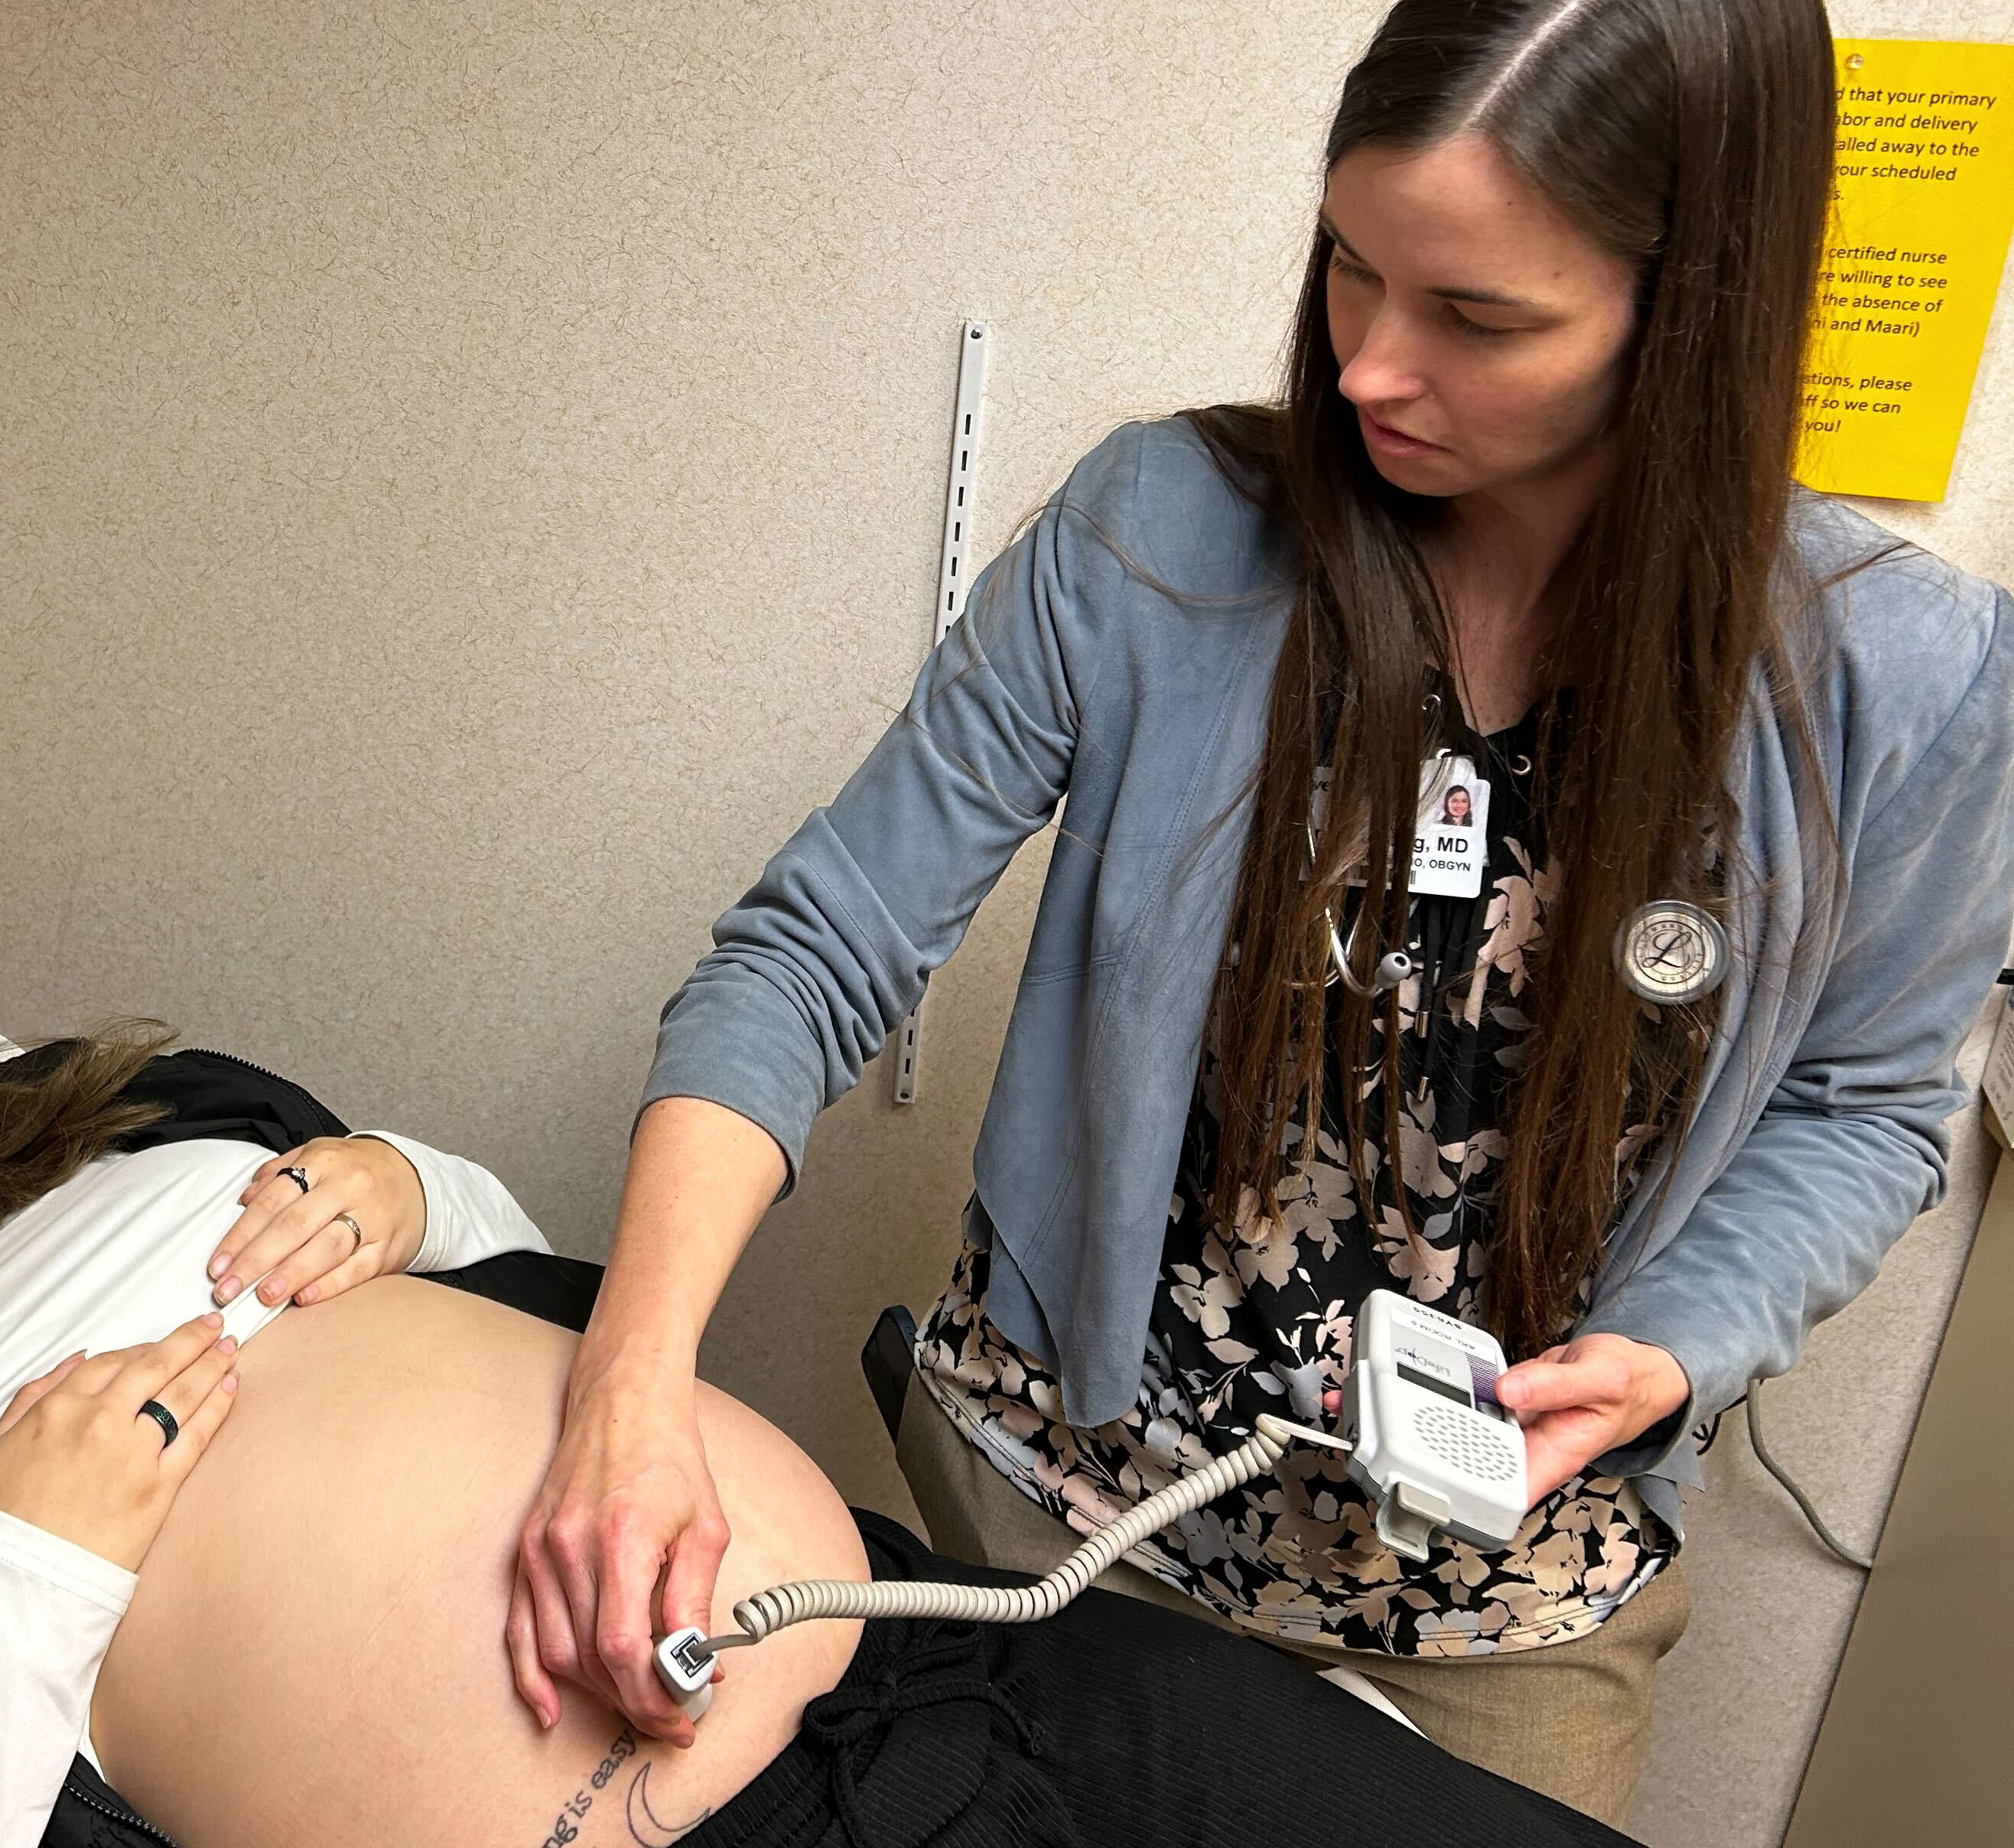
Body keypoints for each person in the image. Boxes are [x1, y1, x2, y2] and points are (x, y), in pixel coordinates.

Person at [513, 0, 2014, 1827]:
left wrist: (1684, 1333)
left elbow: (1863, 1109)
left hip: (1503, 1613)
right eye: (1348, 267)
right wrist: (629, 1380)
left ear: (1689, 308)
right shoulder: (1158, 532)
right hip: (1058, 1508)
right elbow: (815, 949)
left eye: (1477, 316)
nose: (1371, 366)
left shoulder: (1907, 689)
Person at [0, 928, 1637, 1848]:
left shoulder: (122, 1136)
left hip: (943, 1671)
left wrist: (403, 1186)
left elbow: (526, 1284)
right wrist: (14, 1573)